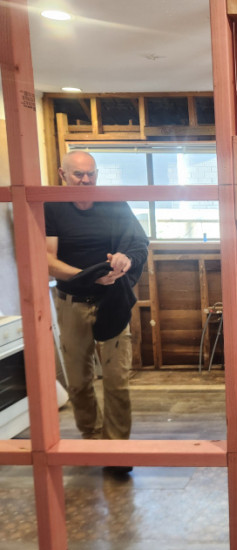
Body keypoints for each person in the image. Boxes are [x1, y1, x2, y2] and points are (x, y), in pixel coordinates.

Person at [45, 150, 149, 470]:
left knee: (117, 380)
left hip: (112, 301)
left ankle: (116, 450)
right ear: (63, 175)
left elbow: (138, 244)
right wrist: (87, 275)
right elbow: (47, 259)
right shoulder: (51, 206)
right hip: (72, 303)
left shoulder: (114, 203)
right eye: (78, 174)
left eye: (91, 174)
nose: (86, 180)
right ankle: (92, 439)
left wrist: (125, 259)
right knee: (78, 381)